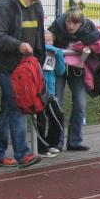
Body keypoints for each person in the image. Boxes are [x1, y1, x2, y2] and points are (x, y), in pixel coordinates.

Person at [0, 0, 45, 169]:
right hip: (5, 66)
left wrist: (38, 61)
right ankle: (23, 154)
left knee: (7, 108)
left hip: (26, 67)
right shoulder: (6, 7)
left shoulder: (37, 7)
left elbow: (38, 36)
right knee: (17, 104)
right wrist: (18, 45)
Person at [49, 6, 100, 151]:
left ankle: (74, 141)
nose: (71, 26)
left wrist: (89, 50)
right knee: (56, 103)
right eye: (68, 22)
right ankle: (56, 141)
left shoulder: (89, 28)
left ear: (81, 23)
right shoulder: (57, 26)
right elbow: (47, 40)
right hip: (58, 68)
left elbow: (98, 44)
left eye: (75, 23)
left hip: (78, 69)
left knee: (80, 104)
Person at [37, 30, 66, 158]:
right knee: (41, 118)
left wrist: (59, 55)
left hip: (51, 91)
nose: (48, 43)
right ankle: (41, 147)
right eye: (45, 41)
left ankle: (52, 143)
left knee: (58, 116)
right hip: (39, 91)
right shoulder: (38, 53)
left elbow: (60, 71)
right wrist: (47, 48)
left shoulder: (55, 53)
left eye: (50, 40)